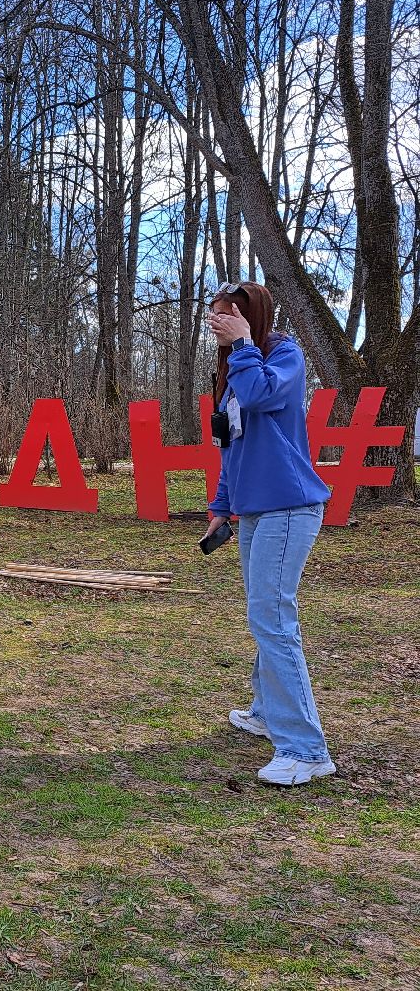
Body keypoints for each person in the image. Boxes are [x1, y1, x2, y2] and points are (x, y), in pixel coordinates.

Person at [202, 281, 335, 786]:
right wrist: (221, 505)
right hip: (256, 511)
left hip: (289, 507)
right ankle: (265, 711)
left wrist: (242, 345)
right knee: (264, 612)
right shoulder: (235, 370)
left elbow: (259, 396)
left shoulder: (282, 359)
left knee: (272, 617)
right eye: (213, 317)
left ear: (250, 317)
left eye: (227, 317)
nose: (217, 324)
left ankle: (305, 748)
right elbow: (232, 444)